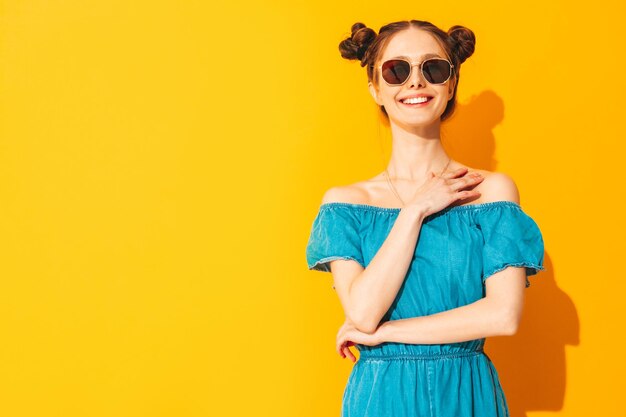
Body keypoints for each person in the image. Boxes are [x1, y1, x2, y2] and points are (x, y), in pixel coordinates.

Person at [305, 20, 546, 417]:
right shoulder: (345, 204)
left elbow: (504, 315)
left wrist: (388, 334)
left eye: (433, 68)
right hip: (382, 396)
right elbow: (362, 313)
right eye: (396, 70)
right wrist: (416, 209)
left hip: (466, 392)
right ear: (375, 88)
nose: (415, 82)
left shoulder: (491, 193)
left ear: (450, 85)